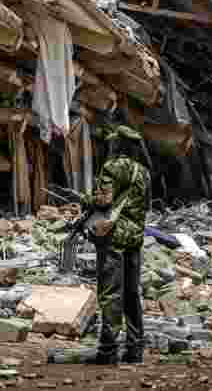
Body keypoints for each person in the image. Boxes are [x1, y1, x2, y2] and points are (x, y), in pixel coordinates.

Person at [88, 124, 151, 365]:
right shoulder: (144, 172)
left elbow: (104, 201)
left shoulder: (112, 167)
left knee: (111, 293)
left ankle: (108, 350)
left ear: (118, 144)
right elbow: (146, 206)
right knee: (132, 293)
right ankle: (135, 350)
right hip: (135, 238)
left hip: (113, 238)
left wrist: (85, 199)